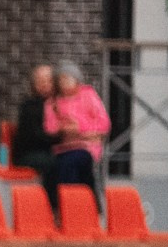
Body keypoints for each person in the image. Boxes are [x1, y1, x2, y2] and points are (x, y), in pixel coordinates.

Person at [46, 60, 110, 193]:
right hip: (63, 147)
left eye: (67, 78)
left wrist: (80, 129)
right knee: (61, 167)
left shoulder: (88, 94)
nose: (64, 82)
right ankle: (70, 202)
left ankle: (74, 200)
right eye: (61, 79)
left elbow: (104, 123)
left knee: (74, 162)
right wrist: (63, 128)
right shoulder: (52, 102)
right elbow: (50, 127)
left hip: (87, 146)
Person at [10, 63, 60, 216]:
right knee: (53, 164)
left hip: (49, 150)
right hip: (29, 154)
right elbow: (35, 136)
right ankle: (52, 209)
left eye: (49, 80)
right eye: (41, 80)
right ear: (34, 84)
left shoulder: (59, 105)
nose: (45, 84)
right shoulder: (29, 107)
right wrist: (61, 137)